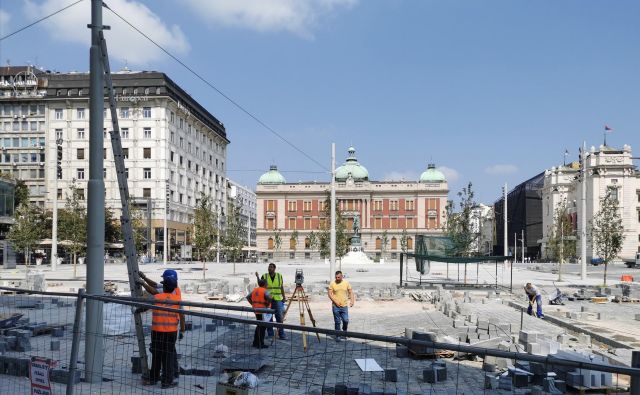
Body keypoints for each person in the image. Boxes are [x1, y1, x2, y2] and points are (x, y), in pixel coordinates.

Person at [138, 270, 182, 379]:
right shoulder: (172, 287)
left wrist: (143, 284)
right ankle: (168, 375)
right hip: (170, 329)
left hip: (162, 329)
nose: (161, 282)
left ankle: (167, 375)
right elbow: (155, 285)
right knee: (168, 352)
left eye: (163, 280)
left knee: (163, 353)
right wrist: (144, 278)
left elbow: (154, 292)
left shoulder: (170, 293)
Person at [255, 263, 287, 339]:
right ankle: (270, 334)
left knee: (279, 317)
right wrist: (258, 277)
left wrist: (284, 297)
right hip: (268, 299)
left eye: (271, 267)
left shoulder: (279, 276)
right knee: (269, 317)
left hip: (278, 299)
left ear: (274, 268)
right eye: (269, 267)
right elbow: (260, 284)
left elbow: (281, 287)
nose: (269, 268)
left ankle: (281, 334)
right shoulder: (265, 276)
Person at [328, 271, 354, 341]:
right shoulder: (332, 283)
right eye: (336, 277)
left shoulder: (346, 283)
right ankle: (338, 335)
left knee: (346, 320)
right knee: (337, 321)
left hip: (344, 306)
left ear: (342, 276)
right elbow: (330, 294)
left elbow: (351, 292)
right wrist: (335, 302)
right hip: (335, 306)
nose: (337, 278)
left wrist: (352, 301)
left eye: (338, 277)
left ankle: (344, 331)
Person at [246, 278, 272, 349]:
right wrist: (267, 304)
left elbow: (248, 297)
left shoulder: (255, 290)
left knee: (258, 326)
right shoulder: (265, 291)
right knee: (262, 328)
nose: (267, 285)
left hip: (256, 310)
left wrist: (252, 304)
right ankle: (260, 344)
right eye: (266, 284)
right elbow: (270, 298)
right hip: (263, 311)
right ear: (264, 284)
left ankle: (255, 342)